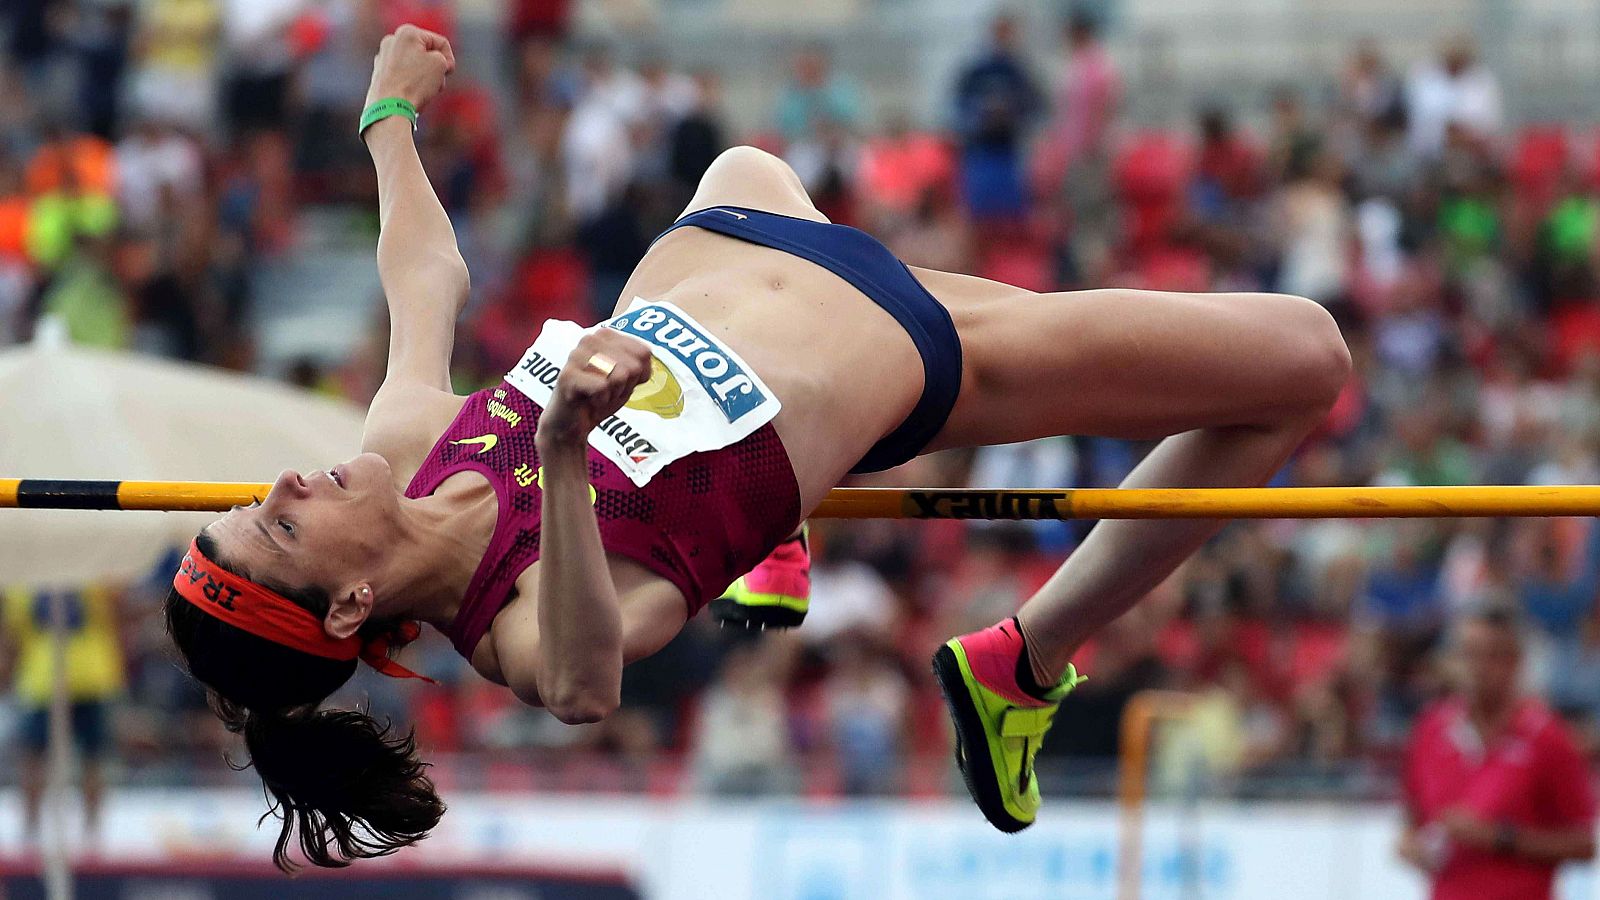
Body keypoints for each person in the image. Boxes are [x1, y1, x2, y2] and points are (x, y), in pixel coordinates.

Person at [165, 26, 1351, 869]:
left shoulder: (412, 441)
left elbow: (421, 278)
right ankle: (1022, 658)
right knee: (1304, 361)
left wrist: (387, 120)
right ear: (348, 602)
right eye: (278, 525)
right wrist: (566, 444)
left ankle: (763, 539)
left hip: (745, 228)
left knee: (742, 155)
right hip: (918, 349)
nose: (281, 484)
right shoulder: (520, 620)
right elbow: (584, 684)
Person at [1398, 604, 1596, 900]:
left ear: (1515, 662)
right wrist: (1411, 847)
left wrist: (1500, 838)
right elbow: (1412, 820)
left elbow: (1584, 845)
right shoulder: (1430, 730)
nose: (1478, 667)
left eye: (1492, 656)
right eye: (1469, 654)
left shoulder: (1548, 738)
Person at [2, 584, 127, 847]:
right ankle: (51, 827)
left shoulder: (25, 582)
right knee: (65, 757)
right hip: (60, 676)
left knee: (78, 757)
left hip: (60, 676)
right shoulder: (92, 575)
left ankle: (75, 828)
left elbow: (13, 634)